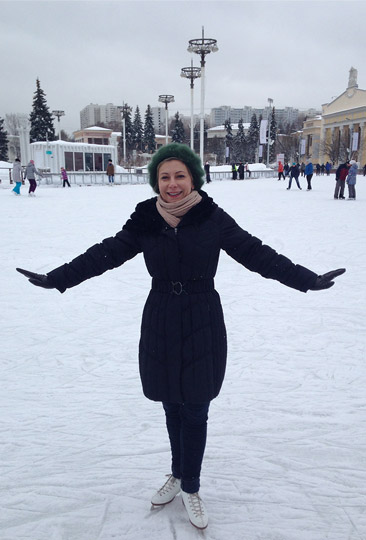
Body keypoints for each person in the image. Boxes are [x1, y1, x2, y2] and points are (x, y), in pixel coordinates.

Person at [16, 143, 346, 531]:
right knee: (171, 403)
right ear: (156, 181)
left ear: (193, 178)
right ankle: (177, 471)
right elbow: (105, 254)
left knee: (195, 407)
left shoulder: (211, 217)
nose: (172, 184)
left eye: (180, 176)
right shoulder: (145, 219)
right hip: (161, 317)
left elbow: (256, 253)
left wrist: (306, 280)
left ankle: (190, 485)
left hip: (202, 316)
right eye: (164, 177)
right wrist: (58, 278)